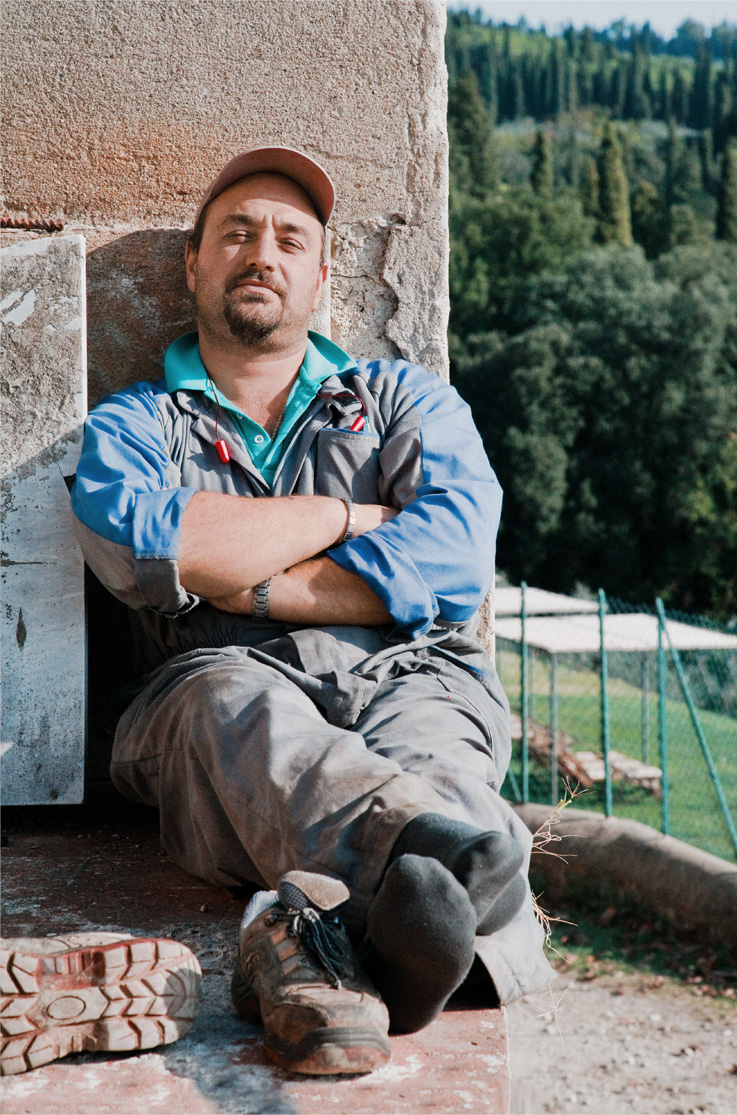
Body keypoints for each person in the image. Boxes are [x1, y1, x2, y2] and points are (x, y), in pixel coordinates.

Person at [67, 147, 553, 1075]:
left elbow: (453, 560)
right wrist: (345, 517)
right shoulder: (133, 425)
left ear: (323, 275)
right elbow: (143, 547)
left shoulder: (407, 399)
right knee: (245, 721)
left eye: (292, 238)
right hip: (215, 678)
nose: (264, 253)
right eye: (237, 234)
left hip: (414, 672)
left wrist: (246, 579)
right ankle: (421, 873)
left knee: (444, 761)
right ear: (194, 264)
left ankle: (409, 942)